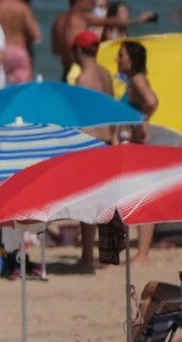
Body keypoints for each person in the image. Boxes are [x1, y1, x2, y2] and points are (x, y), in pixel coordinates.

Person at [69, 31, 115, 273]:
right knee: (106, 204)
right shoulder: (106, 75)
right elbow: (114, 111)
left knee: (88, 205)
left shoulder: (82, 79)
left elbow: (81, 118)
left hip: (90, 144)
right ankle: (107, 256)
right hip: (108, 142)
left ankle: (87, 258)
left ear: (78, 50)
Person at [117, 40, 158, 267]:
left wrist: (142, 121)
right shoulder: (133, 80)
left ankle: (143, 254)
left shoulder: (136, 80)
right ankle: (141, 253)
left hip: (137, 147)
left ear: (132, 60)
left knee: (142, 199)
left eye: (121, 55)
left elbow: (152, 101)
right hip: (134, 146)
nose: (117, 59)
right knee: (138, 198)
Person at [53, 0, 155, 79]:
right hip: (79, 71)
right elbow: (109, 21)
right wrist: (136, 20)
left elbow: (56, 50)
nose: (92, 2)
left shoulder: (59, 20)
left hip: (66, 70)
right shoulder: (82, 17)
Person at [0, 0, 42, 85]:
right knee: (22, 91)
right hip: (19, 52)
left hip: (0, 54)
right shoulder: (23, 8)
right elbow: (36, 36)